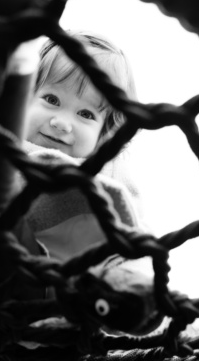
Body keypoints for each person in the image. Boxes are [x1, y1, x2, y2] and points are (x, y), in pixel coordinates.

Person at [18, 31, 146, 264]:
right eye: (52, 100)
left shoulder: (107, 171)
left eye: (85, 114)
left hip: (66, 280)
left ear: (105, 134)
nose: (62, 124)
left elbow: (138, 232)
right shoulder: (3, 141)